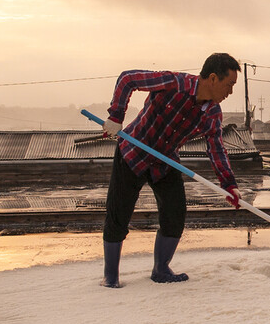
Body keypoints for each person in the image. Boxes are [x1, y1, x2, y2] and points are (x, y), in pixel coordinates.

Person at [100, 53, 242, 286]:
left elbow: (216, 149)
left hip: (165, 161)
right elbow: (128, 79)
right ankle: (111, 276)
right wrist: (116, 116)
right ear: (213, 78)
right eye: (230, 84)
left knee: (175, 214)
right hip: (133, 153)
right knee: (118, 215)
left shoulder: (212, 113)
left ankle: (161, 269)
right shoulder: (175, 83)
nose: (230, 91)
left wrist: (229, 185)